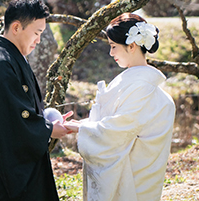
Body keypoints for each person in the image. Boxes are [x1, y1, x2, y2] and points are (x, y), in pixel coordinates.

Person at [0, 0, 73, 201]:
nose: (39, 39)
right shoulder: (0, 65)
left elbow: (24, 112)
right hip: (9, 178)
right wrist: (49, 129)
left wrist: (46, 122)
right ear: (17, 27)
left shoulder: (14, 60)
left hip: (24, 170)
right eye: (36, 33)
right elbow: (11, 123)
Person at [68, 13, 176, 201]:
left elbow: (118, 129)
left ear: (132, 46)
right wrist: (81, 124)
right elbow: (112, 122)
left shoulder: (142, 87)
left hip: (136, 178)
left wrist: (80, 127)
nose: (111, 53)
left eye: (113, 46)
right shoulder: (133, 81)